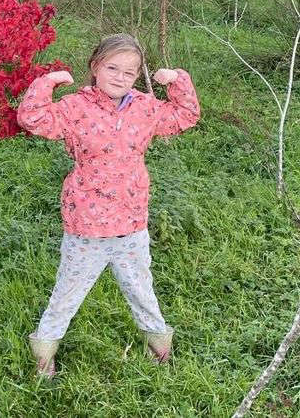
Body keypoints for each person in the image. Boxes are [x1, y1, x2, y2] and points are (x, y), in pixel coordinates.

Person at [16, 33, 200, 378]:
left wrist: (177, 81)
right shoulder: (75, 108)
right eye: (112, 68)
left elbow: (184, 116)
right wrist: (48, 82)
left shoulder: (145, 108)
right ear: (95, 68)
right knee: (67, 292)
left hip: (131, 223)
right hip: (86, 225)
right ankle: (44, 356)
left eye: (129, 72)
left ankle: (159, 351)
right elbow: (33, 119)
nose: (120, 77)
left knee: (141, 288)